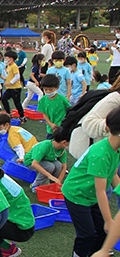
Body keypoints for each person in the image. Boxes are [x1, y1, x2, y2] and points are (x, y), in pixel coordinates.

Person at [62, 107, 120, 257]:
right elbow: (100, 191)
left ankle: (98, 252)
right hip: (77, 194)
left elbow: (112, 175)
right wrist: (108, 220)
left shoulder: (115, 148)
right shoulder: (101, 154)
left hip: (91, 195)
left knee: (101, 232)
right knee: (87, 234)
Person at [38, 74, 71, 139]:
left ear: (57, 88)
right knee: (49, 145)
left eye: (51, 90)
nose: (48, 92)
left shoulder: (62, 99)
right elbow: (44, 114)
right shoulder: (42, 100)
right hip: (50, 129)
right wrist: (51, 124)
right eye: (45, 89)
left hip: (62, 128)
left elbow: (70, 110)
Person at [1, 51, 27, 123]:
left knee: (17, 103)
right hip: (9, 88)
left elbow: (17, 76)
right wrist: (2, 77)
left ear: (11, 59)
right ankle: (9, 113)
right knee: (3, 98)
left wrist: (10, 83)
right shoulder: (8, 66)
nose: (5, 60)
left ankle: (22, 117)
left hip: (15, 88)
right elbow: (8, 76)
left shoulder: (14, 66)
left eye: (6, 58)